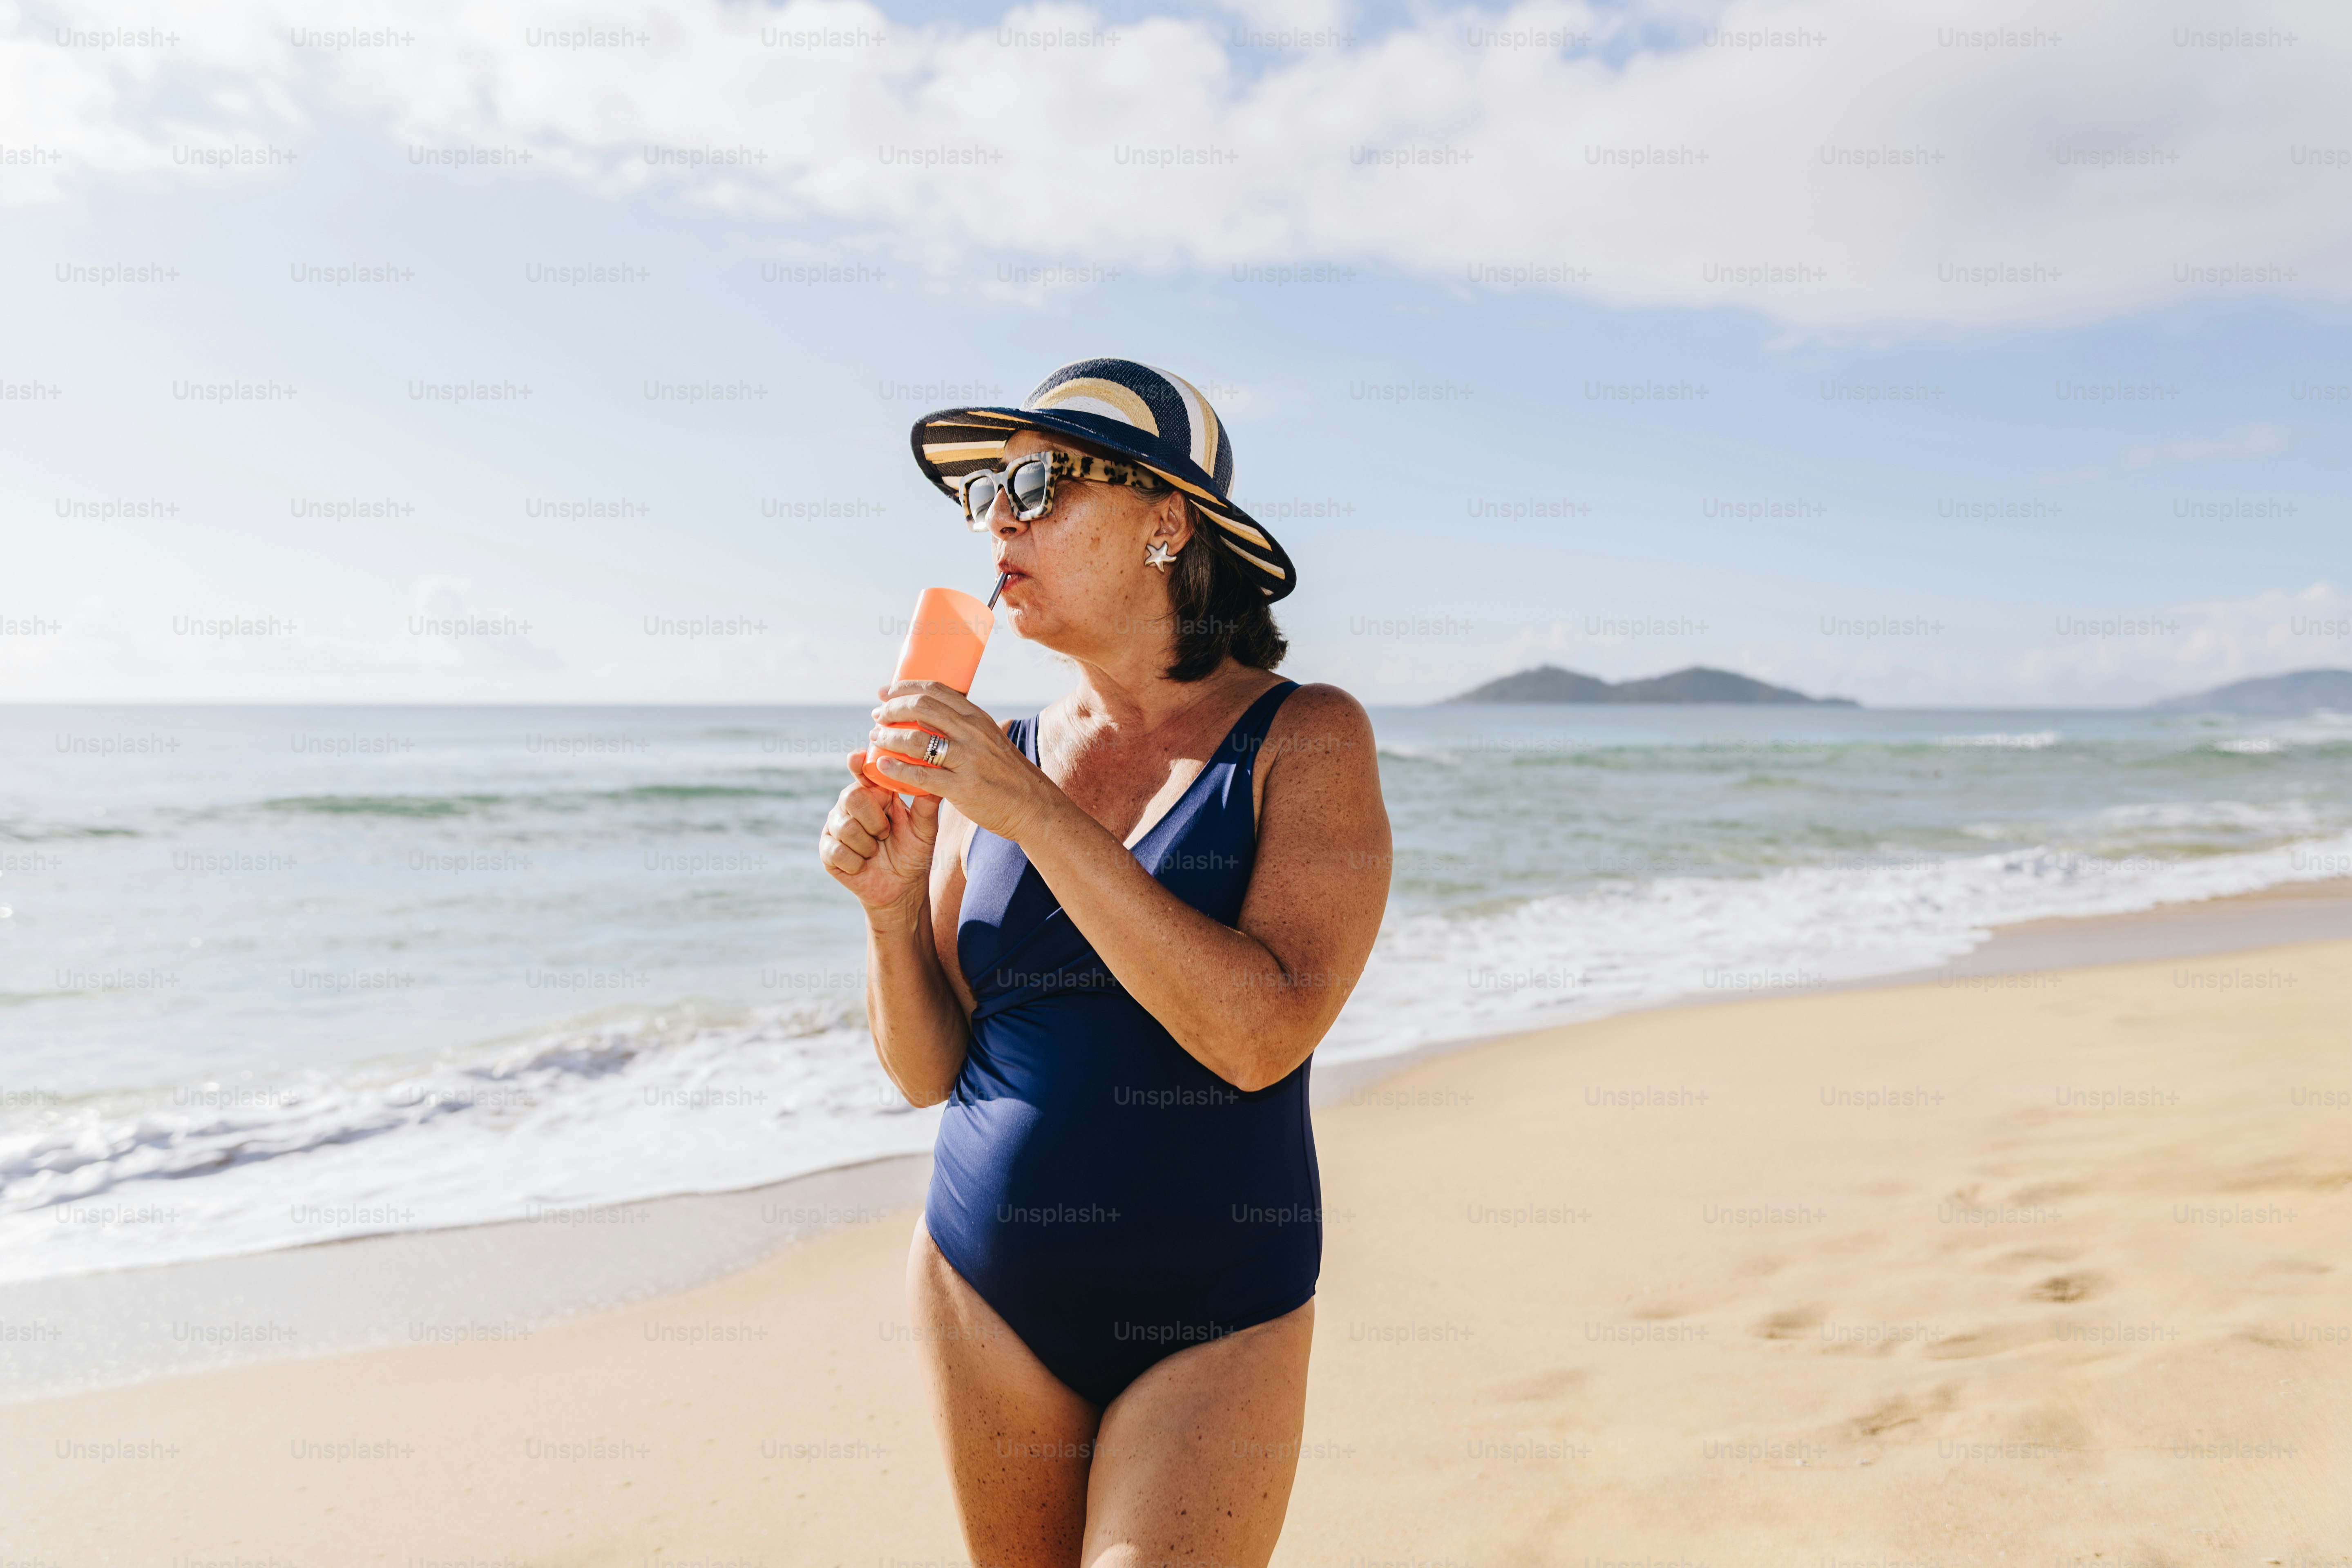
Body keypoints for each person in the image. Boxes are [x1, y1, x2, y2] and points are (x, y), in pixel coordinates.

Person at [818, 357, 1392, 1566]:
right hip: (985, 1290)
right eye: (989, 495)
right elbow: (927, 1073)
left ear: (1167, 522)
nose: (1002, 519)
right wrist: (888, 908)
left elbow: (1261, 1034)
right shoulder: (1005, 759)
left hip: (1217, 1311)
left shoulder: (1306, 739)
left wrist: (1034, 814)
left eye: (1040, 482)